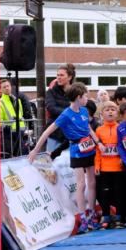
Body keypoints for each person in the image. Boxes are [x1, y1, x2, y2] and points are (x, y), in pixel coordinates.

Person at [29, 82, 100, 234]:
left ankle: (92, 214)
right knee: (81, 184)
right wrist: (35, 150)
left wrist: (98, 142)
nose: (87, 98)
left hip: (89, 149)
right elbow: (47, 132)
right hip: (76, 151)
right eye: (85, 96)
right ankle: (82, 218)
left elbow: (88, 129)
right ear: (78, 97)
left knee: (92, 182)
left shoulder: (84, 111)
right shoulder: (66, 115)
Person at [94, 101, 126, 227]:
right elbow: (97, 150)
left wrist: (124, 160)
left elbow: (123, 146)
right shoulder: (98, 130)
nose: (110, 111)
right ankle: (106, 216)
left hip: (118, 167)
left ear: (117, 112)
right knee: (104, 192)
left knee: (119, 192)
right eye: (107, 109)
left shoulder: (121, 128)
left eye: (113, 109)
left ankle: (118, 216)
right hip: (104, 168)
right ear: (101, 113)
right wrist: (97, 165)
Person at [45, 64, 76, 154]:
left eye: (61, 75)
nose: (58, 77)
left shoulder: (76, 92)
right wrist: (70, 112)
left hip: (71, 133)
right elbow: (51, 108)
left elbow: (80, 108)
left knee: (70, 163)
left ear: (69, 77)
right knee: (52, 162)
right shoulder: (51, 91)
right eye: (57, 75)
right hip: (54, 132)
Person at [0, 79, 28, 158]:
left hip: (20, 133)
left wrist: (25, 129)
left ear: (11, 87)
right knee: (10, 158)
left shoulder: (18, 101)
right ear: (0, 90)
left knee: (22, 157)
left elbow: (21, 115)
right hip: (8, 135)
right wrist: (6, 127)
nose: (7, 88)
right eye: (4, 87)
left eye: (8, 86)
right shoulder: (0, 103)